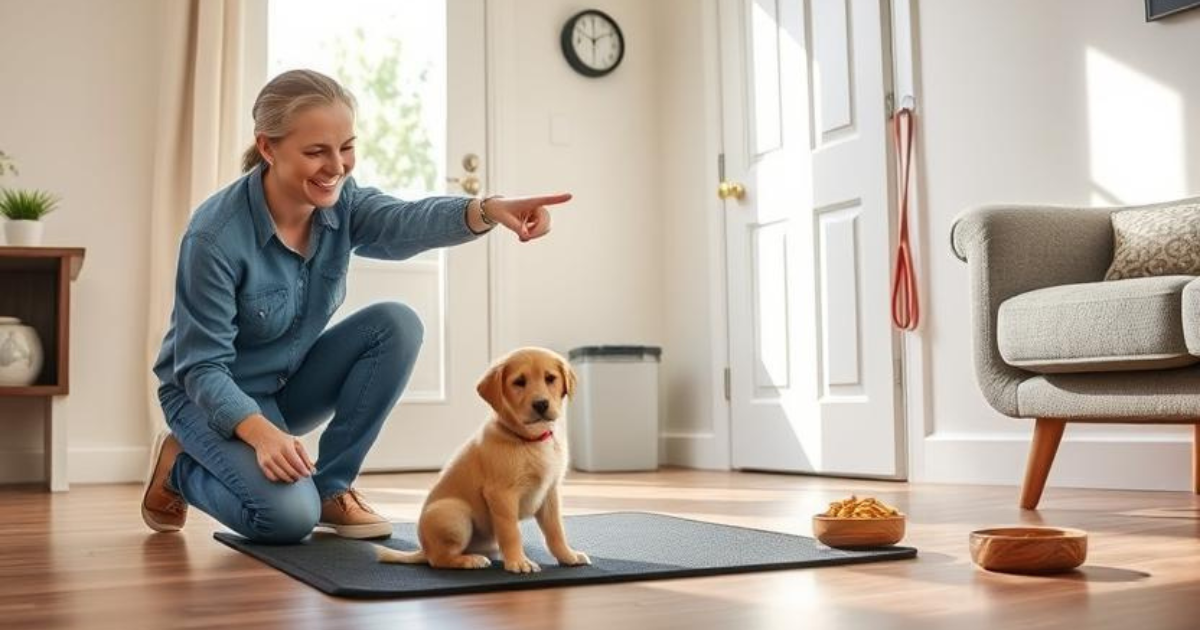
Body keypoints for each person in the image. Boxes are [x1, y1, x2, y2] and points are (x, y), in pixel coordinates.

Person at [140, 69, 570, 543]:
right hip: (206, 398)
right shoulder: (215, 237)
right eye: (316, 152)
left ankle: (332, 487)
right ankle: (180, 467)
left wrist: (489, 209)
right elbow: (201, 368)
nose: (337, 166)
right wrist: (260, 433)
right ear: (268, 148)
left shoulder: (341, 204)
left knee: (396, 324)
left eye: (346, 147)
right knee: (286, 521)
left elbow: (405, 220)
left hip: (286, 386)